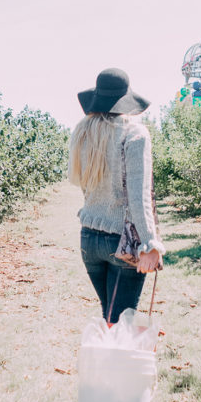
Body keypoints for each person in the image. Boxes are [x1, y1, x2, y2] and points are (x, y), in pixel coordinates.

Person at [68, 68, 165, 324]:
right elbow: (139, 195)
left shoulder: (83, 134)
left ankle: (106, 361)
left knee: (110, 316)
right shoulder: (134, 134)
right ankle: (112, 363)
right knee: (120, 323)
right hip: (121, 242)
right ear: (126, 100)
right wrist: (149, 244)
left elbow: (86, 186)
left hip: (89, 239)